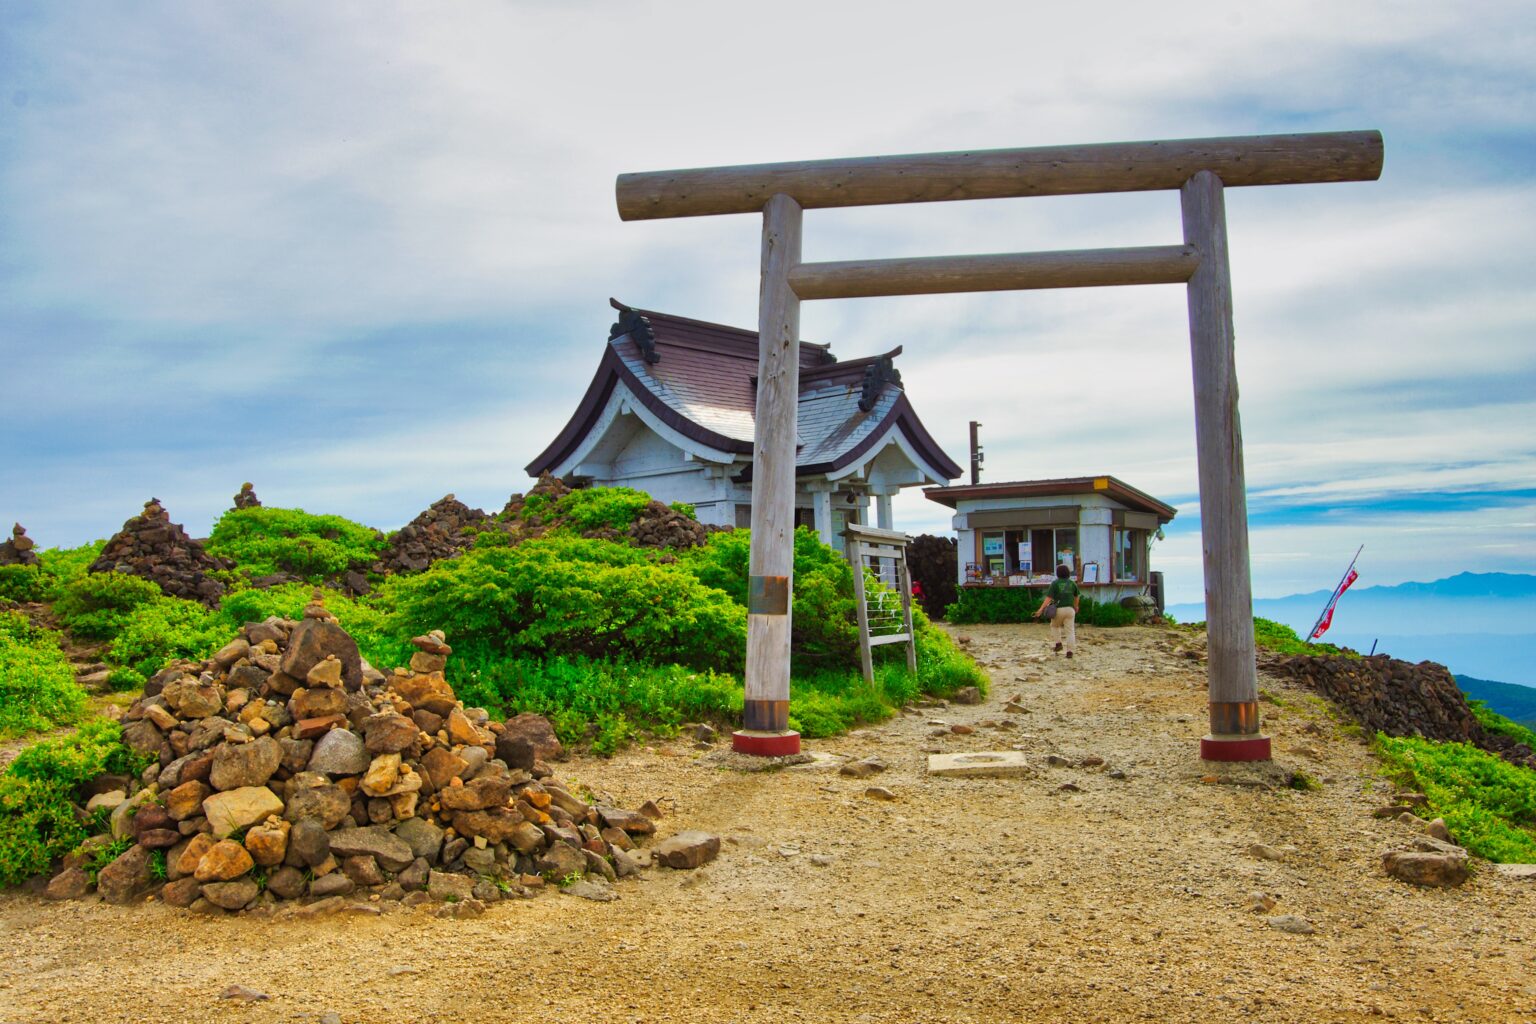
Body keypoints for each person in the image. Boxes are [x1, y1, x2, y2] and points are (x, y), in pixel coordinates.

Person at [1035, 563, 1082, 657]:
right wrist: (1076, 606)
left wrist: (1041, 609)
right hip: (1070, 609)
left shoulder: (1055, 583)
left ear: (1058, 573)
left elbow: (1048, 598)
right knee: (1070, 631)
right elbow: (1077, 597)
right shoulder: (1072, 583)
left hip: (1058, 610)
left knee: (1054, 626)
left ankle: (1058, 643)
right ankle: (1070, 652)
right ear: (1068, 573)